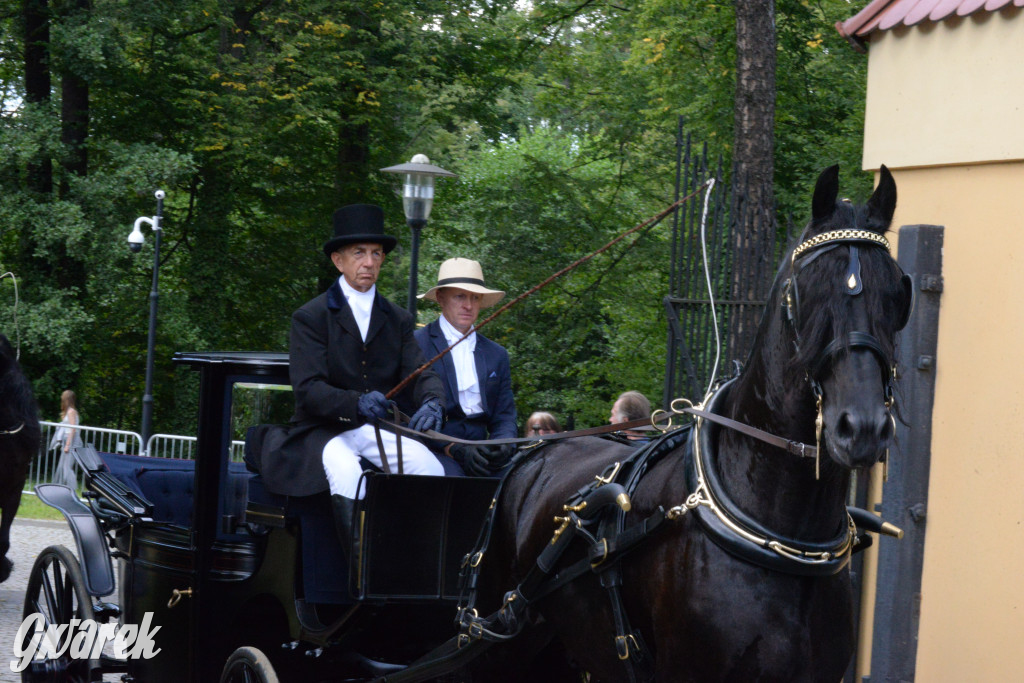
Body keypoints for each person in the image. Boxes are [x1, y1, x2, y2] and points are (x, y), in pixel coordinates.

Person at [265, 203, 446, 554]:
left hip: (375, 428)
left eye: (376, 254)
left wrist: (434, 400)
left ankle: (415, 561)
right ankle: (360, 570)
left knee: (429, 468)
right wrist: (355, 403)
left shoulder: (398, 318)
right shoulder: (311, 316)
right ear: (339, 260)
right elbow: (308, 389)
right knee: (348, 473)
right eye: (359, 253)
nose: (369, 262)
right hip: (323, 429)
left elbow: (421, 372)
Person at [415, 258, 516, 477]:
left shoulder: (496, 354)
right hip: (434, 450)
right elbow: (408, 411)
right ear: (441, 298)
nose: (468, 306)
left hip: (485, 453)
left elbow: (504, 415)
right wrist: (452, 448)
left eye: (475, 297)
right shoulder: (417, 345)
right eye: (460, 296)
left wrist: (502, 445)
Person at [50, 390, 82, 489]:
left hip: (72, 442)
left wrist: (68, 445)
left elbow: (73, 429)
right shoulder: (68, 412)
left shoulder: (71, 412)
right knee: (63, 467)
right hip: (68, 441)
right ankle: (62, 488)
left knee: (67, 467)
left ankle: (72, 489)